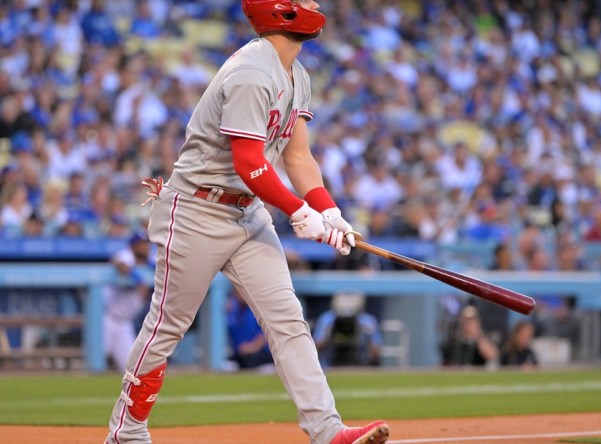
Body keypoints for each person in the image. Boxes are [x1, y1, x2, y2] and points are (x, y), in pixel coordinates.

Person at [105, 2, 390, 444]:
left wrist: (329, 210)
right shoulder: (252, 71)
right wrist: (298, 212)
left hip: (247, 211)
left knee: (288, 320)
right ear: (281, 11)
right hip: (198, 208)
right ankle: (126, 432)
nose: (314, 5)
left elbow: (298, 157)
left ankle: (327, 430)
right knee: (167, 326)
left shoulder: (298, 75)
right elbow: (248, 161)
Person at [103, 232, 154, 371]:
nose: (146, 247)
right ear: (134, 246)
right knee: (96, 361)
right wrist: (136, 277)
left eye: (146, 244)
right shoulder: (126, 255)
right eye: (142, 244)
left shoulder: (149, 260)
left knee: (130, 367)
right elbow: (119, 263)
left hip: (125, 323)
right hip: (108, 318)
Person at [313, 292, 383, 368]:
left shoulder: (368, 321)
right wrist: (328, 334)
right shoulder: (326, 319)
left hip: (359, 364)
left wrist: (367, 335)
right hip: (330, 364)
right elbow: (315, 348)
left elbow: (376, 353)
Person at [226, 289, 275, 371]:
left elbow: (266, 334)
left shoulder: (258, 309)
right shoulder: (234, 309)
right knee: (228, 365)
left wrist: (251, 347)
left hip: (261, 354)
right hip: (240, 355)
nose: (240, 295)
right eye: (237, 292)